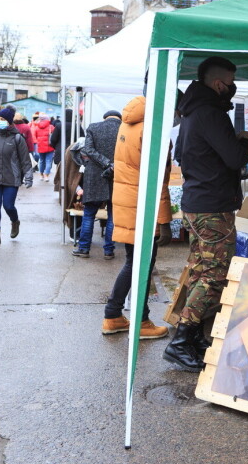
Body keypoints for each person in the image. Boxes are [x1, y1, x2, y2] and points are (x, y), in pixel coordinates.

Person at [163, 56, 248, 372]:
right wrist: (246, 143)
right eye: (230, 83)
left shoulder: (190, 114)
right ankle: (181, 341)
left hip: (198, 202)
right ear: (219, 84)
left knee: (203, 270)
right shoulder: (211, 114)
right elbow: (233, 160)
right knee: (214, 274)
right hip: (212, 206)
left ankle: (193, 336)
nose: (232, 89)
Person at [102, 96, 171, 339]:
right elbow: (158, 178)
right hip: (142, 204)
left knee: (134, 262)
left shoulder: (129, 122)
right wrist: (164, 220)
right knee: (140, 265)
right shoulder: (152, 131)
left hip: (127, 200)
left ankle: (113, 316)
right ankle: (139, 321)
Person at [71, 110, 121, 259]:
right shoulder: (124, 129)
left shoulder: (93, 127)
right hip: (117, 175)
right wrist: (112, 165)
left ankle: (84, 248)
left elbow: (88, 150)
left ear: (105, 118)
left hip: (94, 175)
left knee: (89, 214)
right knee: (113, 216)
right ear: (119, 119)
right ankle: (108, 250)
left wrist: (105, 163)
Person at [0, 107, 33, 246]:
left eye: (2, 119)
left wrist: (28, 177)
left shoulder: (18, 138)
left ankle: (15, 221)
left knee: (8, 206)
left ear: (9, 122)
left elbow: (25, 159)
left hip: (11, 178)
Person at [34, 115, 54, 182]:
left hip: (40, 146)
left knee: (42, 161)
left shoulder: (37, 127)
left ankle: (41, 175)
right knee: (48, 161)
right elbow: (54, 136)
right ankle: (46, 175)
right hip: (49, 146)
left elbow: (36, 136)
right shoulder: (51, 127)